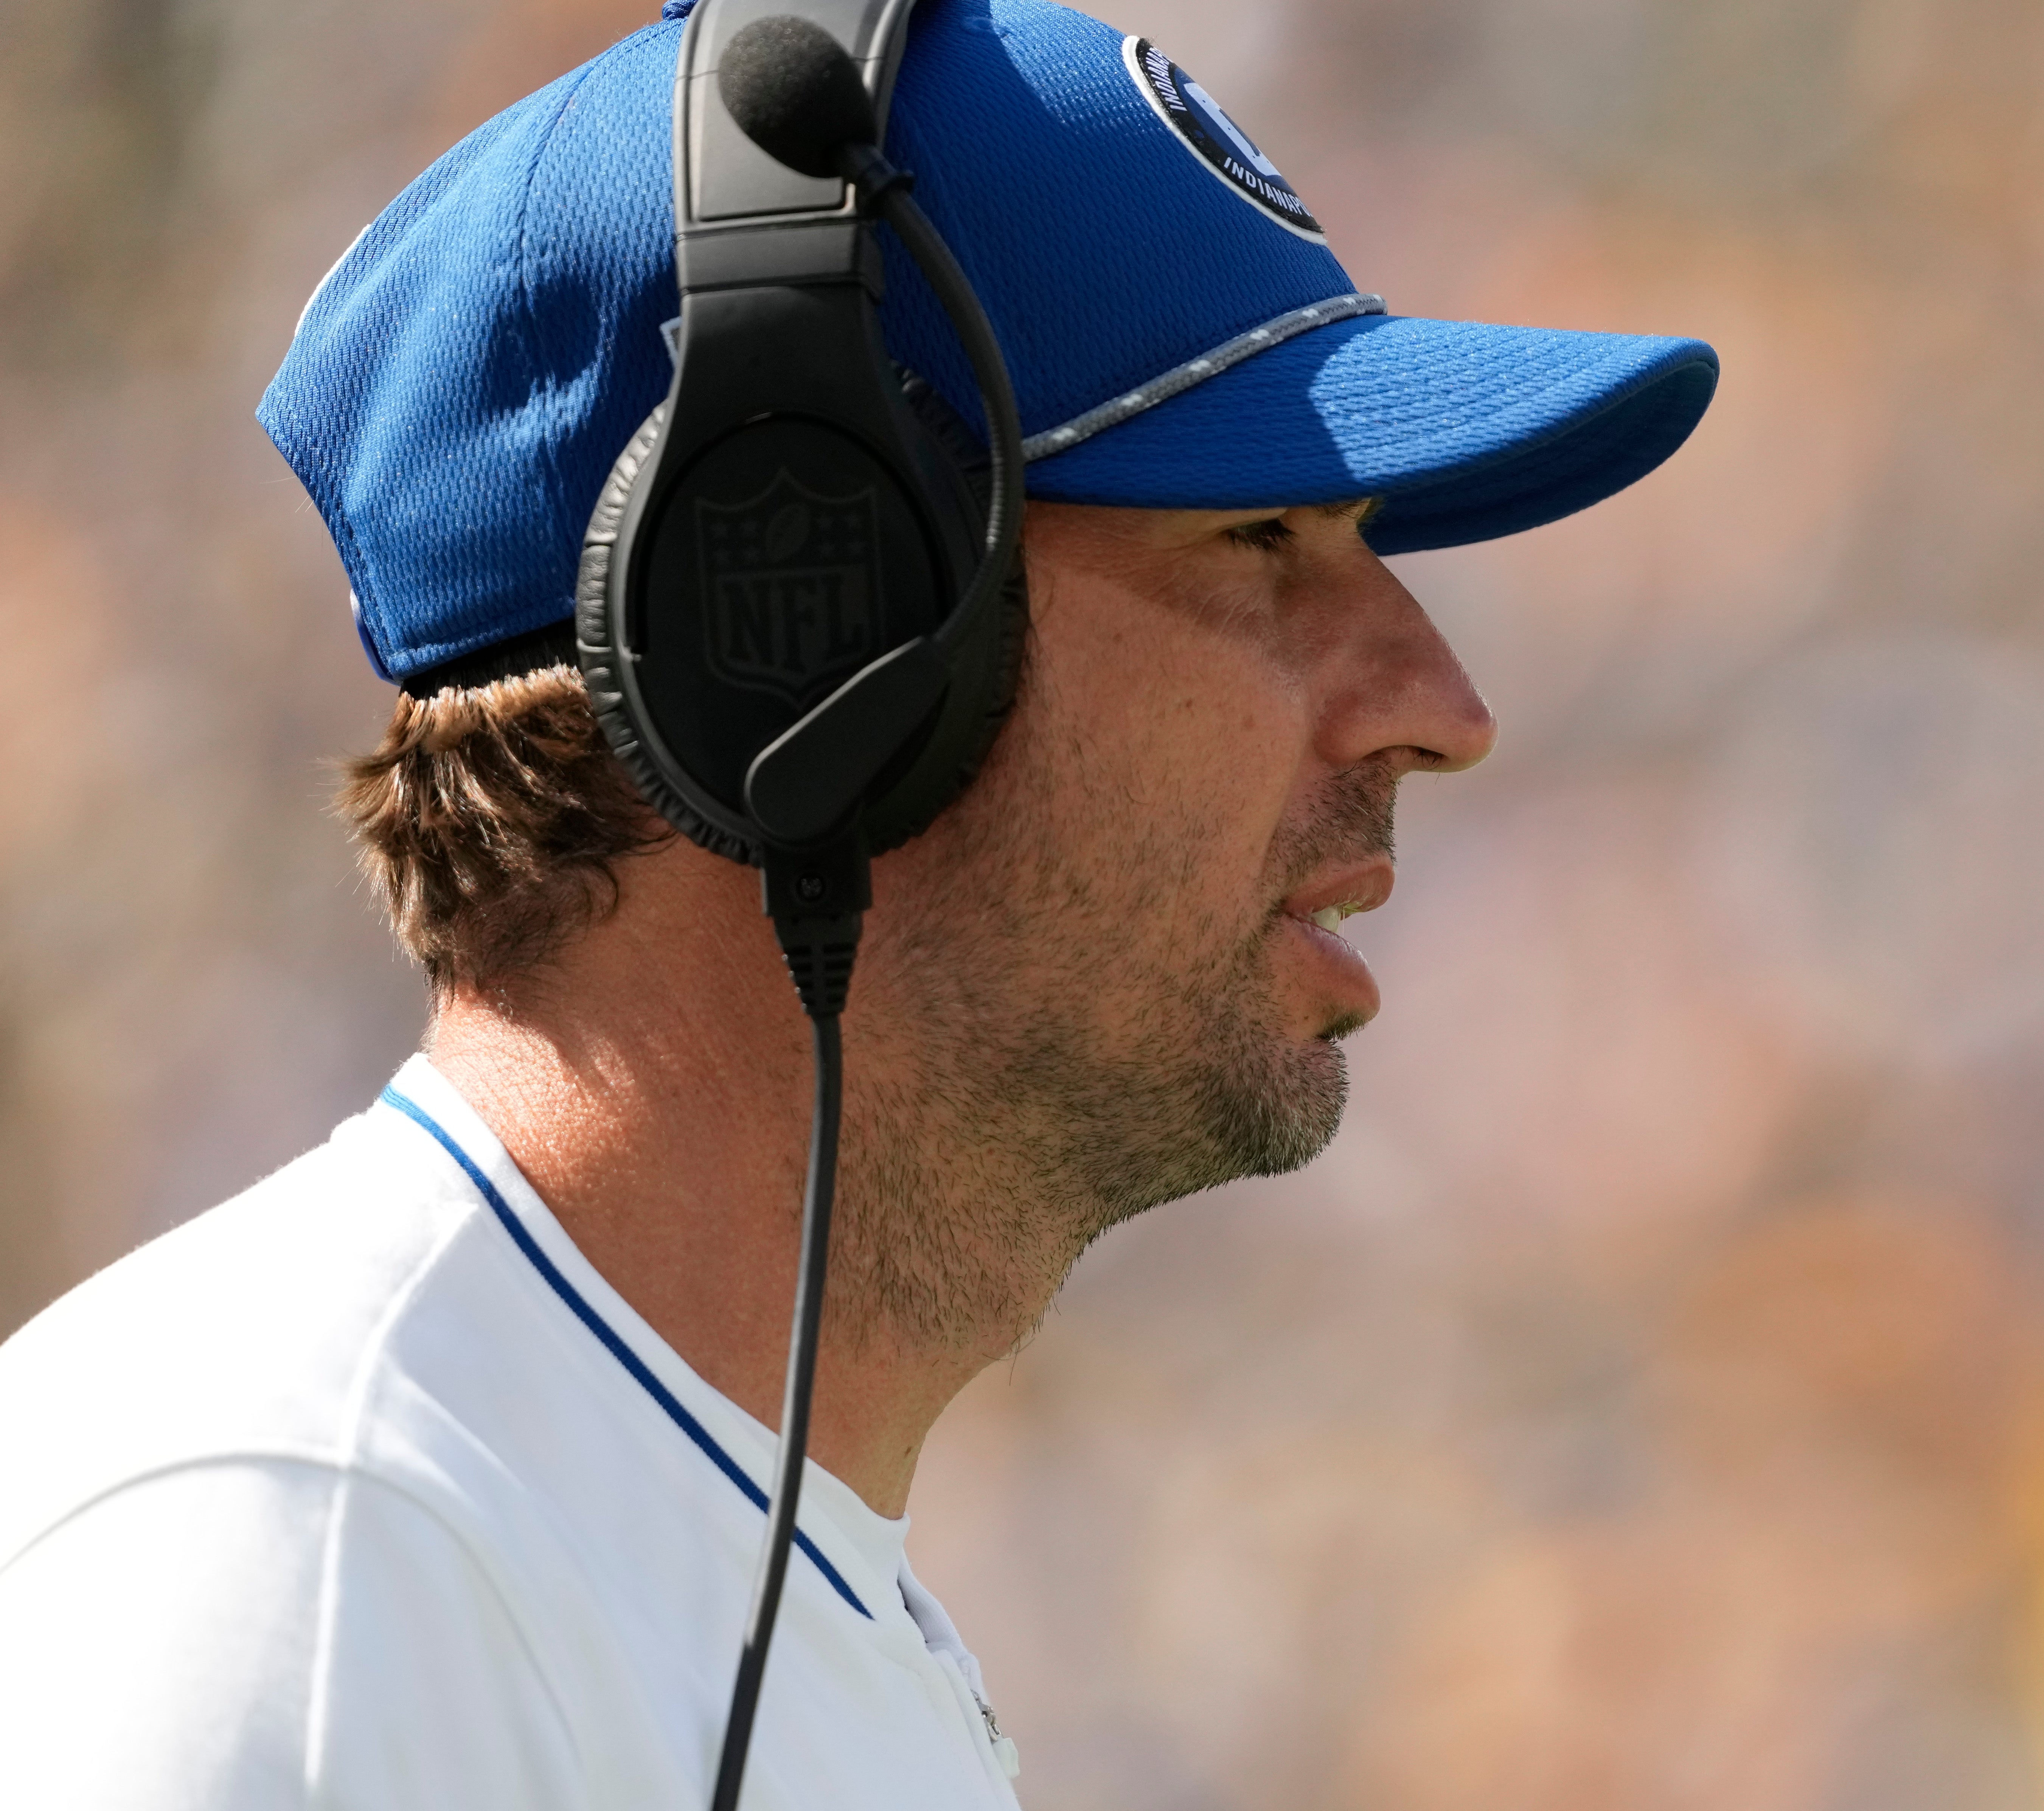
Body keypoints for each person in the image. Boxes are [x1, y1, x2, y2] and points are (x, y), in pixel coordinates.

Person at [0, 0, 1716, 1804]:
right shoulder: (315, 1554)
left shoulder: (685, 1572)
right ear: (817, 635)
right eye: (1256, 542)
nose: (1440, 711)